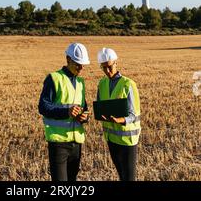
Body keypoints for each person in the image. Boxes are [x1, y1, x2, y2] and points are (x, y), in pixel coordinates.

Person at [38, 42, 90, 181]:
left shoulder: (80, 82)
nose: (81, 67)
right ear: (68, 59)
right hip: (59, 143)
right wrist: (66, 111)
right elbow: (43, 107)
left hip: (77, 143)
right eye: (78, 63)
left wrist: (84, 117)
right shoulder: (54, 78)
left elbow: (84, 108)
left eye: (83, 64)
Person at [96, 47, 141, 181]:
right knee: (122, 176)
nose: (107, 71)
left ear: (116, 63)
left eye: (109, 66)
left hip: (127, 140)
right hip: (111, 138)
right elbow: (100, 107)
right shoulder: (102, 83)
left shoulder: (128, 84)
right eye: (103, 68)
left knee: (129, 178)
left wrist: (121, 120)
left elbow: (134, 115)